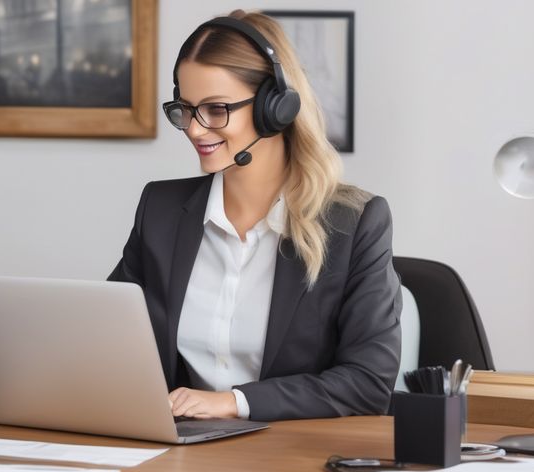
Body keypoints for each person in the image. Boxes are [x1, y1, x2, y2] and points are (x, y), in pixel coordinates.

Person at [108, 10, 401, 422]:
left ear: (274, 108)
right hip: (177, 451)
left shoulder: (354, 223)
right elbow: (108, 341)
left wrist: (233, 402)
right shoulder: (161, 210)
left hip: (290, 458)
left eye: (215, 109)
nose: (194, 129)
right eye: (185, 109)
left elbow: (368, 383)